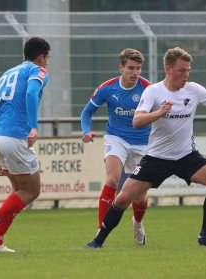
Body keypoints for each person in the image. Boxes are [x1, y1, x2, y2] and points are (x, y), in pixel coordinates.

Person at [86, 47, 206, 249]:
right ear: (168, 69)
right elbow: (137, 121)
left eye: (188, 70)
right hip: (157, 158)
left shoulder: (194, 89)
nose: (186, 74)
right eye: (182, 70)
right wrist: (159, 113)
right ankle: (97, 241)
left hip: (186, 156)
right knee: (122, 199)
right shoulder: (154, 91)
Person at [0, 37, 50, 252]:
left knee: (18, 190)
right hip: (15, 135)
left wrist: (0, 156)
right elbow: (32, 93)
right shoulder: (37, 70)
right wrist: (33, 127)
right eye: (47, 58)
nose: (47, 63)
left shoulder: (8, 73)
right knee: (32, 191)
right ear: (41, 57)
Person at [81, 48, 150, 245]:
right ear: (121, 67)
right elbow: (86, 113)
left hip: (142, 142)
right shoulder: (108, 88)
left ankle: (137, 223)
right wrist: (86, 131)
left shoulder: (147, 88)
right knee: (112, 180)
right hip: (116, 138)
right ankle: (99, 234)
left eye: (138, 68)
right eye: (130, 68)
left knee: (140, 197)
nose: (135, 72)